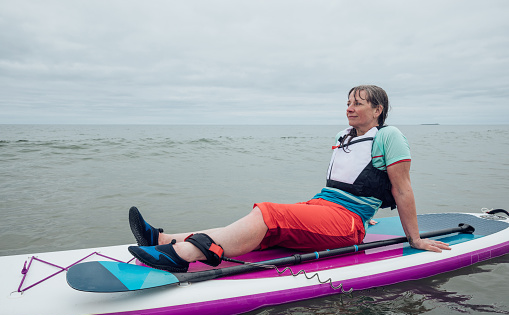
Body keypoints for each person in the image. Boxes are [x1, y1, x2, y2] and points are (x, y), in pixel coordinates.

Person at [128, 85, 451, 272]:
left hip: (347, 222)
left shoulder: (389, 136)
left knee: (269, 213)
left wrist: (414, 240)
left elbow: (402, 189)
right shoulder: (344, 136)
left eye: (358, 103)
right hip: (324, 207)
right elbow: (347, 184)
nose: (350, 108)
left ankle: (185, 255)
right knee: (262, 229)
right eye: (348, 103)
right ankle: (162, 239)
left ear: (378, 109)